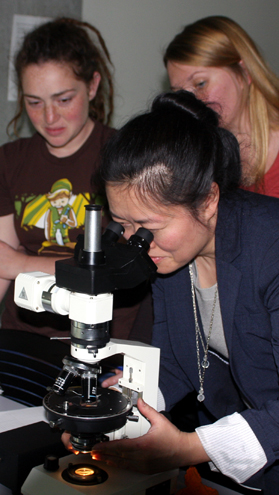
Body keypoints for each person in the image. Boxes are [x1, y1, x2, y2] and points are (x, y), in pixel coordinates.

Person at [74, 89, 279, 494]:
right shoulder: (172, 255)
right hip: (230, 456)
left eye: (148, 226)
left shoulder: (270, 249)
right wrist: (112, 411)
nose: (137, 242)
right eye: (123, 225)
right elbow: (177, 362)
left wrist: (186, 447)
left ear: (207, 201)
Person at [0, 18, 141, 340]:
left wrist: (20, 263)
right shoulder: (9, 161)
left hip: (102, 341)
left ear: (92, 86)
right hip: (22, 338)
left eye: (63, 99)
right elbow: (1, 264)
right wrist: (14, 264)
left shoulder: (127, 156)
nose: (49, 118)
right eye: (34, 102)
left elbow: (116, 269)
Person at [164, 16, 279, 197]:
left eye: (200, 83)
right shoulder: (201, 161)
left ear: (244, 72)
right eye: (180, 93)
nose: (191, 101)